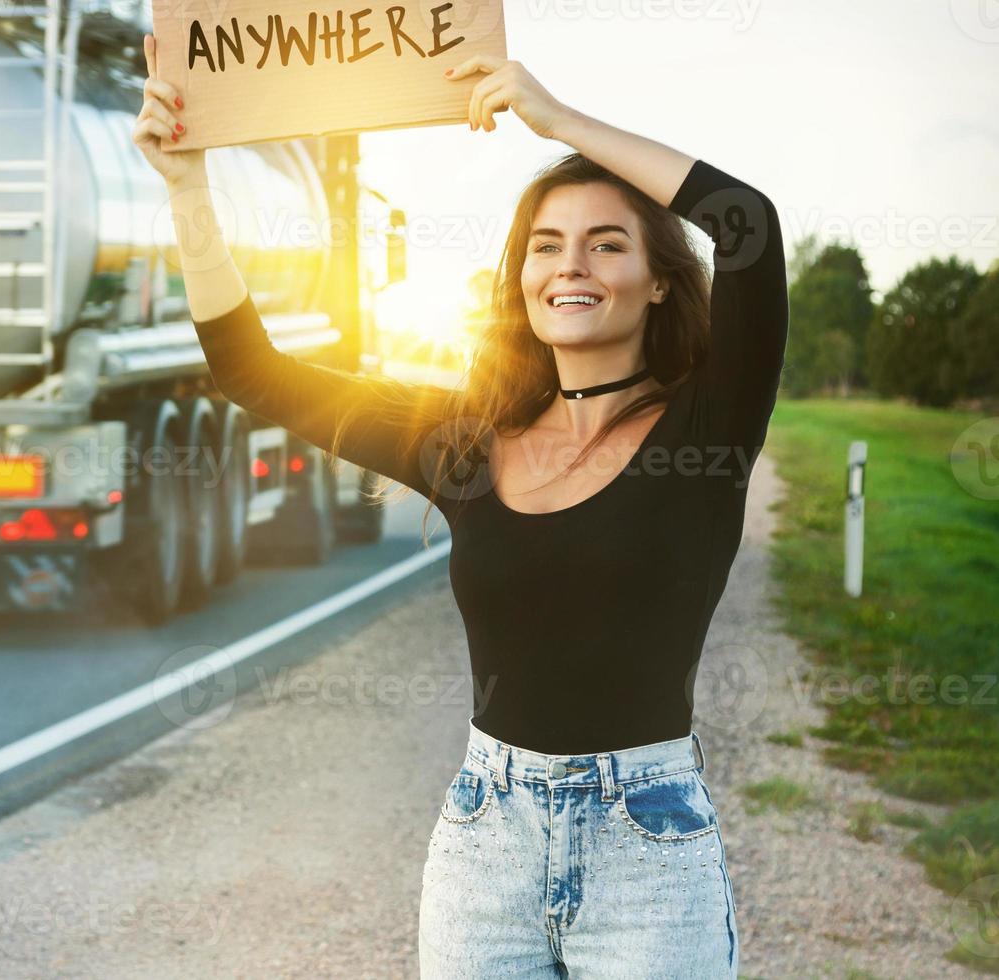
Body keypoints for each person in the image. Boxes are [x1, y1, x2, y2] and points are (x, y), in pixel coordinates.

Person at [134, 31, 786, 979]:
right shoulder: (466, 443)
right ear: (520, 282)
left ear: (655, 283)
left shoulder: (708, 428)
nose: (572, 266)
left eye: (608, 244)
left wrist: (555, 122)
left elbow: (746, 220)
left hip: (647, 848)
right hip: (486, 838)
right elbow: (251, 371)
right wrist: (188, 189)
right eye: (546, 247)